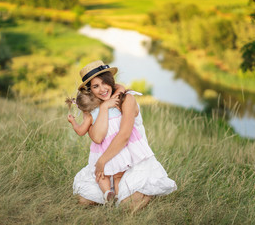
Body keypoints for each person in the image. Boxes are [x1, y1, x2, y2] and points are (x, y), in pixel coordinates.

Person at [72, 60, 177, 209]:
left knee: (126, 206)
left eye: (104, 83)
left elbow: (124, 136)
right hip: (110, 163)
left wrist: (101, 162)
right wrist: (103, 108)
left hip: (133, 160)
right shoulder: (92, 108)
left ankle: (146, 190)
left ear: (111, 81)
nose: (102, 89)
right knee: (85, 199)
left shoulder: (127, 99)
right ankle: (114, 193)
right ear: (90, 90)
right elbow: (97, 138)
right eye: (96, 86)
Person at [67, 85, 127, 202]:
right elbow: (121, 89)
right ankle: (119, 197)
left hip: (101, 151)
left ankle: (107, 193)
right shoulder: (112, 105)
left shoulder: (89, 116)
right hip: (117, 148)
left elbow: (81, 131)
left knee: (101, 175)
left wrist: (73, 122)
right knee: (118, 176)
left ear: (84, 109)